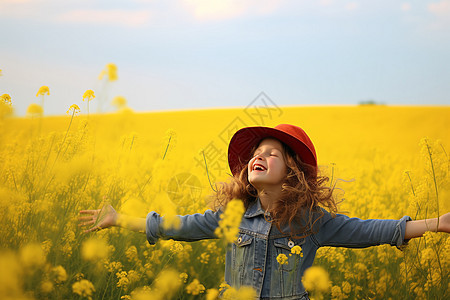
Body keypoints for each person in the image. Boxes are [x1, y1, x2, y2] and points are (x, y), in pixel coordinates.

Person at [79, 124, 450, 299]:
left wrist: (437, 223)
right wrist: (116, 218)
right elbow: (177, 227)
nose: (260, 156)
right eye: (257, 153)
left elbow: (369, 231)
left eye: (273, 153)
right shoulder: (232, 217)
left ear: (293, 171)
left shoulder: (312, 223)